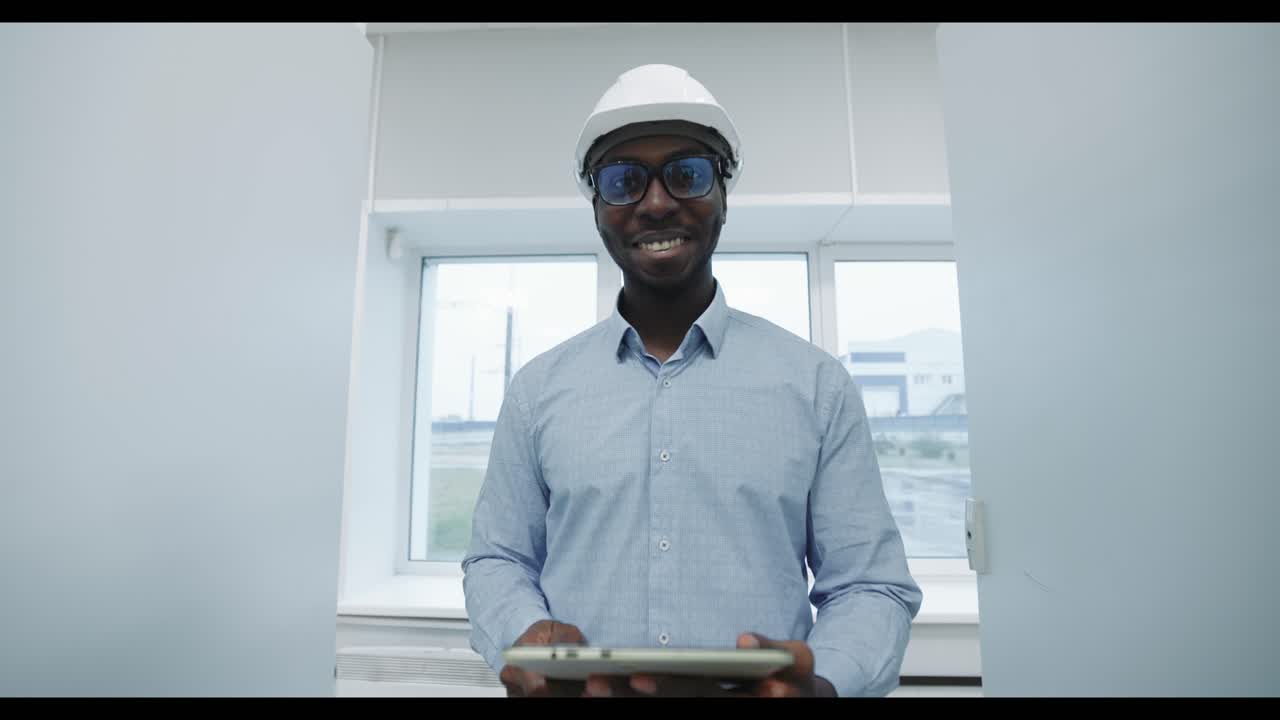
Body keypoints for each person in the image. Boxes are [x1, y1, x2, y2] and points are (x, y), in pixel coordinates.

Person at [461, 64, 922, 698]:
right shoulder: (537, 393)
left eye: (687, 173)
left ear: (723, 195)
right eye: (624, 181)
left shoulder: (817, 387)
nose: (656, 203)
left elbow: (869, 586)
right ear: (598, 209)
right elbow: (498, 559)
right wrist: (526, 632)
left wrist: (822, 684)